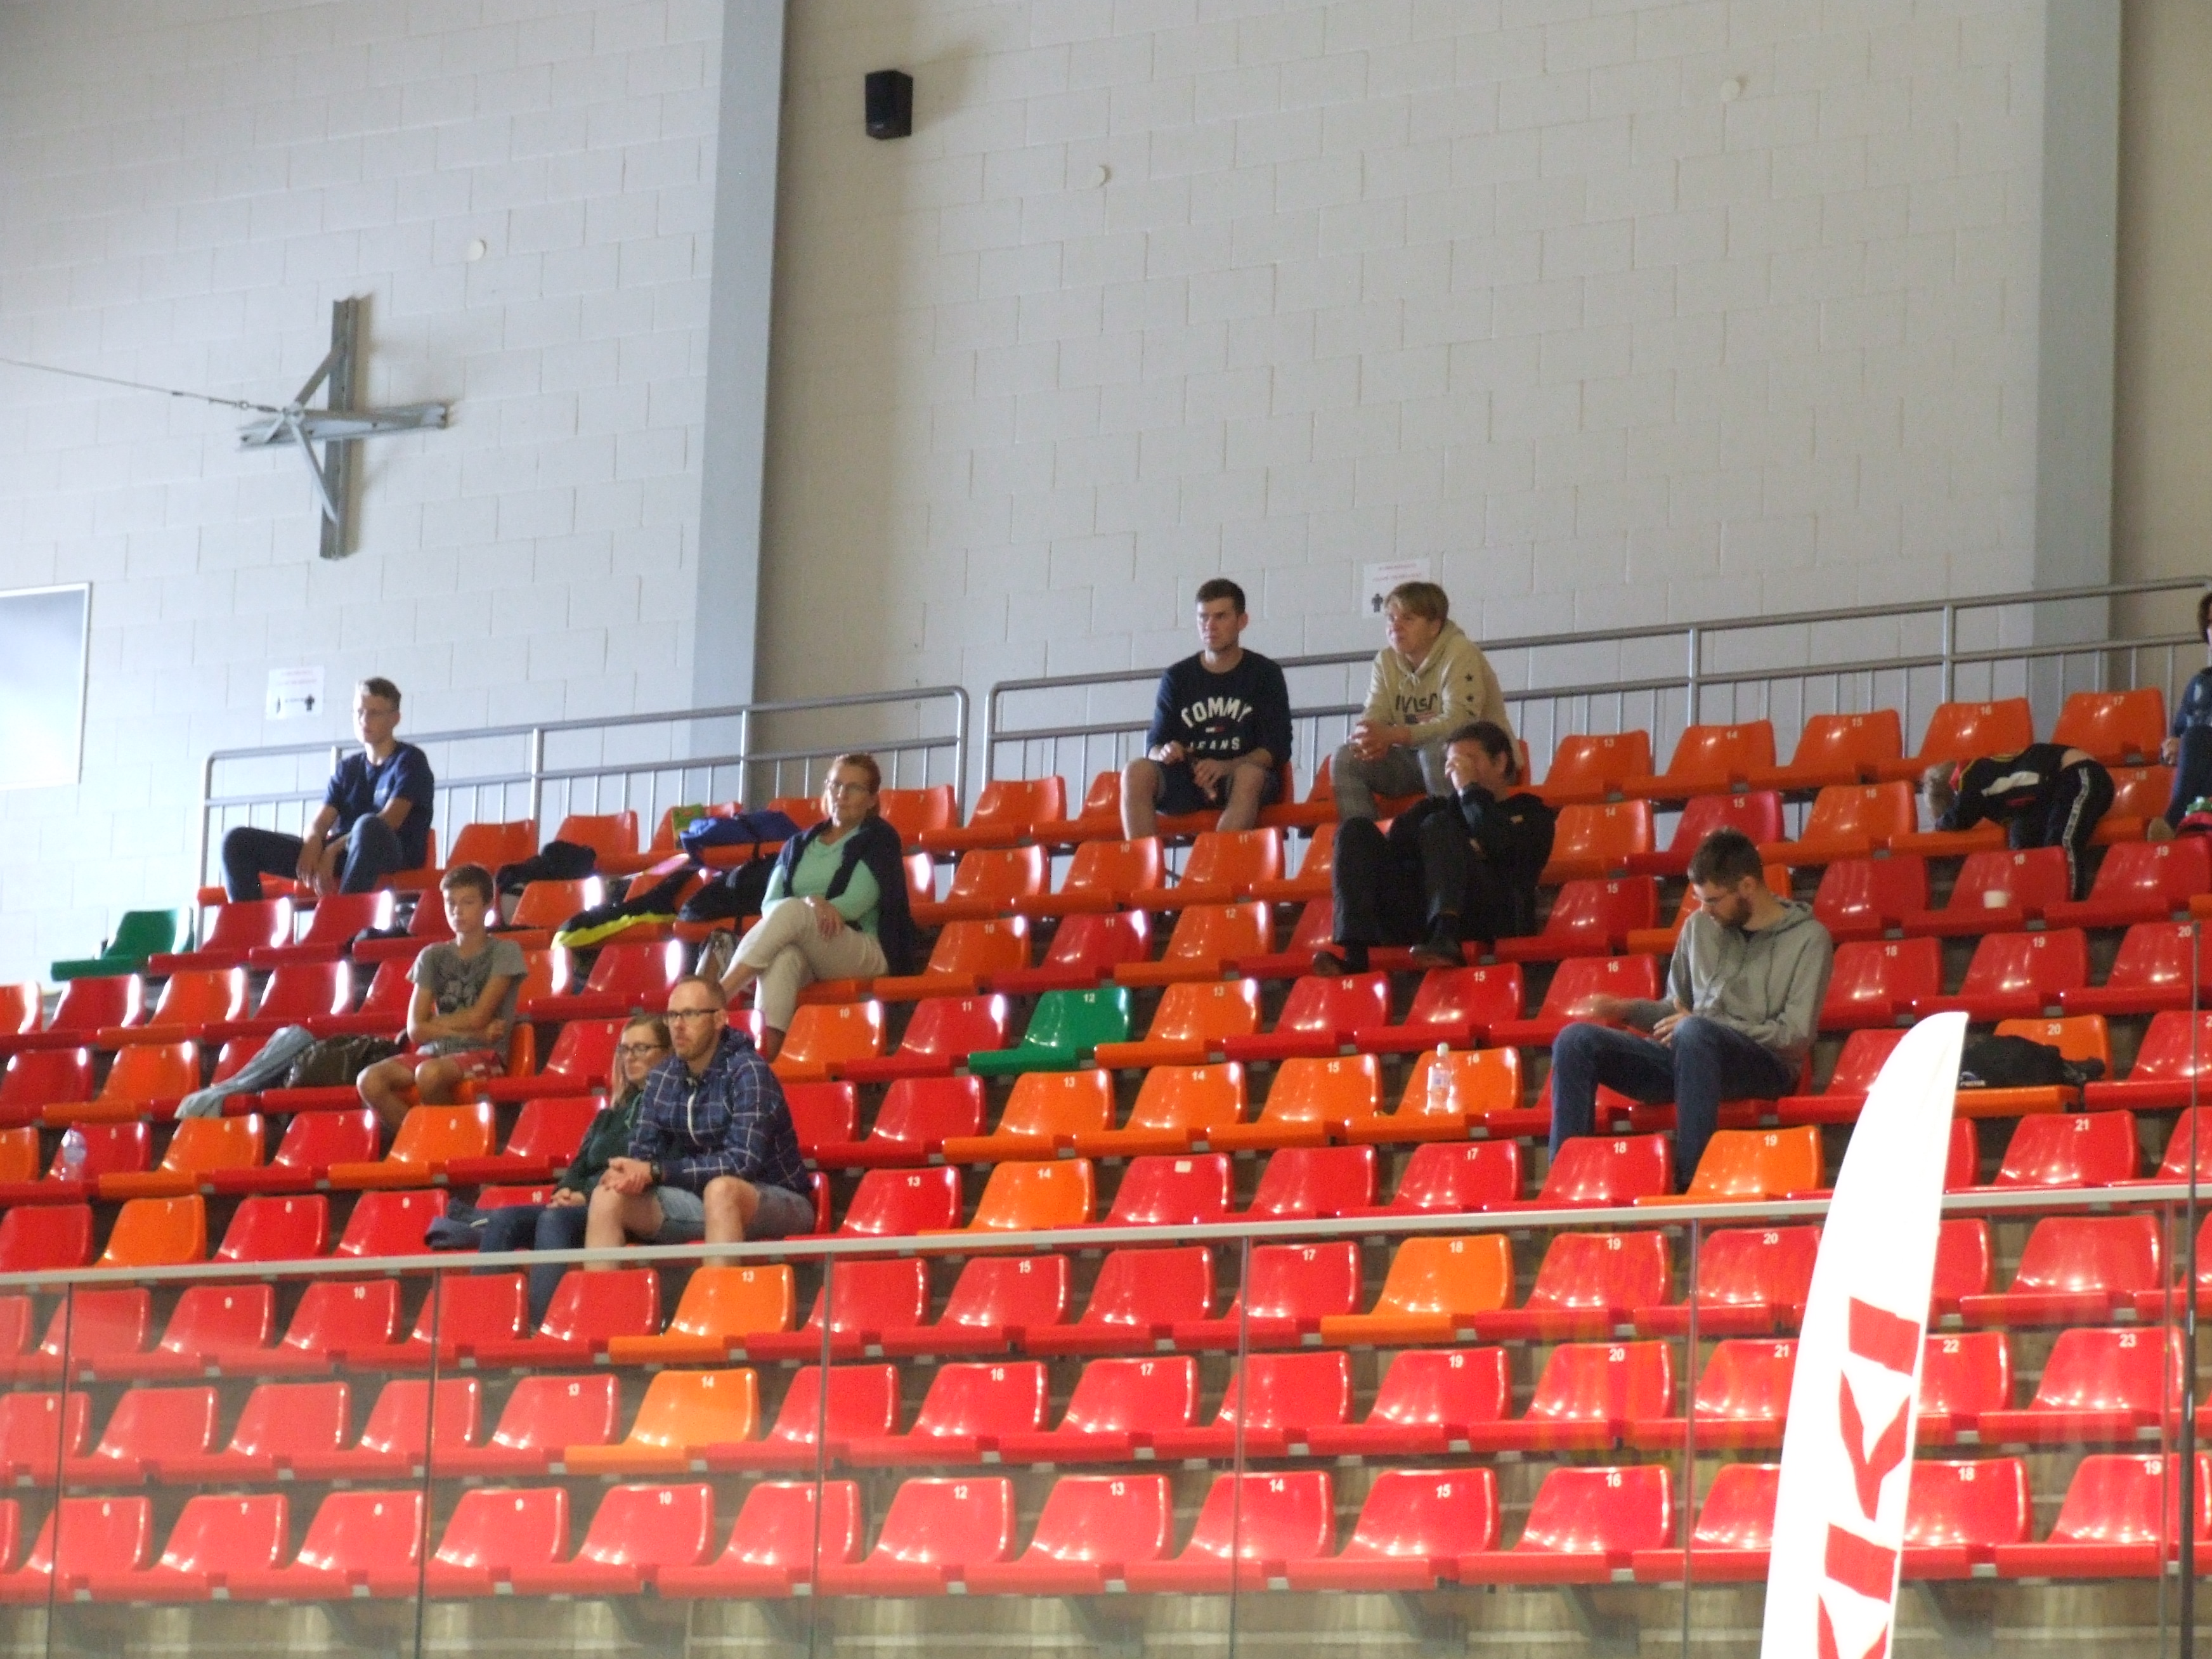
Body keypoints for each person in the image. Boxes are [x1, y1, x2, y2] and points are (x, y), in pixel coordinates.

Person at [1547, 829, 1833, 1190]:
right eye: (1699, 899)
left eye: (1712, 900)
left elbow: (1794, 1037)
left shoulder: (1809, 939)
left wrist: (1704, 1025)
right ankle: (1564, 1182)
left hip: (1764, 1065)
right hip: (1691, 1055)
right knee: (1575, 1041)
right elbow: (1676, 1009)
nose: (1704, 910)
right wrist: (1628, 1010)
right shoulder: (1699, 926)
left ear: (1747, 887)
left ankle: (1692, 1184)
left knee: (1694, 1033)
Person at [586, 975, 814, 1256]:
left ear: (719, 1019)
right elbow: (643, 1154)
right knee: (608, 1196)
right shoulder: (663, 1077)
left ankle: (718, 1287)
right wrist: (629, 1174)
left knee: (722, 1191)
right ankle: (602, 1287)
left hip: (777, 1198)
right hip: (697, 1197)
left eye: (690, 1014)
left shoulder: (748, 1071)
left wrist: (657, 1171)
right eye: (672, 1016)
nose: (678, 1025)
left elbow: (741, 1163)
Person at [717, 753, 916, 1062]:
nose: (841, 794)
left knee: (793, 912)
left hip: (863, 947)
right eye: (835, 785)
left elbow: (854, 903)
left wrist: (809, 908)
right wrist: (812, 903)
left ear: (871, 800)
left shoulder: (880, 839)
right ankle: (766, 1064)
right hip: (808, 942)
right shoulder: (798, 844)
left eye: (853, 788)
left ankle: (719, 994)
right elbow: (770, 904)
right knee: (783, 959)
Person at [1314, 720, 1555, 973]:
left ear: (1500, 762)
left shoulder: (1532, 812)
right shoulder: (1436, 809)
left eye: (1469, 759)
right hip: (1420, 916)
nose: (1459, 768)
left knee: (1439, 824)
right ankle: (1355, 954)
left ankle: (1446, 936)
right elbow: (1394, 849)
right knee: (1354, 830)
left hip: (1490, 917)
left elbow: (1504, 848)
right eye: (1453, 762)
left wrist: (1470, 791)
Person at [477, 1015, 670, 1324]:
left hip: (630, 1204)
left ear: (666, 1053)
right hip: (582, 1204)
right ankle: (485, 1325)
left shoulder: (669, 1108)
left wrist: (586, 1196)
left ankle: (543, 1328)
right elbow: (578, 1165)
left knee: (554, 1220)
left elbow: (644, 1166)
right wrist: (565, 1191)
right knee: (503, 1219)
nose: (630, 1057)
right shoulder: (609, 1116)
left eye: (641, 1048)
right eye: (625, 1049)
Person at [221, 677, 434, 901]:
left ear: (395, 719)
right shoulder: (348, 768)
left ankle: (342, 918)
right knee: (236, 842)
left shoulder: (410, 760)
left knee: (368, 826)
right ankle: (250, 921)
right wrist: (313, 841)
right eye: (359, 712)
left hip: (391, 853)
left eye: (374, 713)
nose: (364, 720)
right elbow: (321, 822)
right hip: (346, 853)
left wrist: (332, 850)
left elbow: (391, 820)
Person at [1121, 578, 1293, 840]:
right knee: (1136, 772)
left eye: (1220, 617)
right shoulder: (1177, 677)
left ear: (1242, 621)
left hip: (1242, 778)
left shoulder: (1265, 674)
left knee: (1248, 777)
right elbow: (1154, 745)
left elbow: (1276, 748)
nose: (1210, 626)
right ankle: (1142, 863)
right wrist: (1166, 752)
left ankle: (1215, 863)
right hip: (1188, 779)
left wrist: (1227, 766)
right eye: (1203, 617)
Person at [356, 864, 523, 1129]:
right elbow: (415, 1029)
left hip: (484, 1054)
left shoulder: (506, 951)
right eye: (451, 903)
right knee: (369, 1080)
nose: (457, 910)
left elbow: (479, 1016)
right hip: (435, 1051)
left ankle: (451, 1138)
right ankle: (423, 1138)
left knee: (429, 1074)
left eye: (468, 902)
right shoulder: (432, 956)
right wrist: (473, 1030)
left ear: (488, 905)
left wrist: (435, 1023)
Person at [1334, 582, 1512, 821]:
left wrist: (1396, 734)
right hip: (1415, 760)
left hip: (1480, 759)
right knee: (1347, 757)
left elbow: (1460, 723)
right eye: (1391, 618)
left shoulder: (1461, 652)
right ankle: (1364, 839)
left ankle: (1451, 837)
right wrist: (1368, 738)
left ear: (1434, 627)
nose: (1395, 626)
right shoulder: (1385, 661)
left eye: (1408, 619)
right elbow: (1374, 714)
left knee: (1436, 751)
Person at [1924, 744, 2114, 901]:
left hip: (2078, 774)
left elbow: (1960, 816)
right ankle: (2038, 904)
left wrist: (1939, 825)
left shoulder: (1970, 775)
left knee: (2062, 842)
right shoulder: (2003, 796)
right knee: (2026, 844)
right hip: (2048, 794)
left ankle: (2068, 906)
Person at [2150, 591, 2212, 840]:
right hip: (2203, 779)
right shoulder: (2199, 684)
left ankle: (2174, 822)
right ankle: (2193, 829)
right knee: (2194, 740)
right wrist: (2170, 749)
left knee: (2197, 737)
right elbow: (2175, 739)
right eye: (2211, 623)